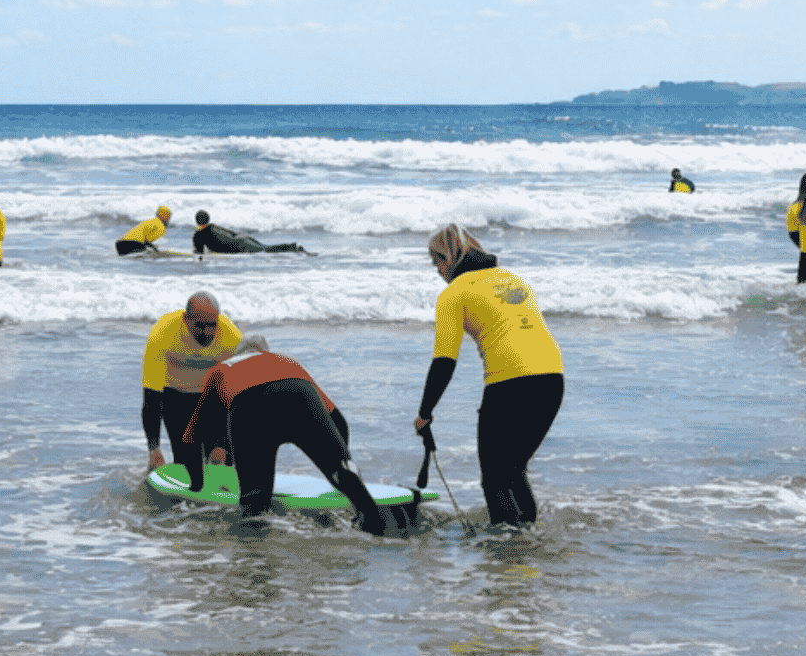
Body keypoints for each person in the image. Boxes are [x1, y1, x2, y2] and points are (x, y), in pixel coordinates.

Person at [412, 225, 565, 528]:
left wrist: (425, 413)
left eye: (437, 262)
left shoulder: (454, 294)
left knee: (495, 477)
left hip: (509, 383)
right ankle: (526, 536)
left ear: (450, 258)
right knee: (512, 469)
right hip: (552, 379)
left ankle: (508, 551)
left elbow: (444, 360)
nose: (438, 271)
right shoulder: (511, 278)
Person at [183, 348, 388, 533]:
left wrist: (196, 484)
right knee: (356, 492)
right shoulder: (286, 361)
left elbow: (193, 434)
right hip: (299, 396)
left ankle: (254, 565)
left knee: (255, 505)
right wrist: (341, 464)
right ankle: (380, 535)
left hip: (251, 407)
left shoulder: (222, 369)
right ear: (263, 351)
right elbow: (339, 420)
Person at [141, 291, 263, 489]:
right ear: (186, 320)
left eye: (211, 325)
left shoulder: (230, 336)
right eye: (199, 326)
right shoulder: (163, 333)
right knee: (185, 466)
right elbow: (152, 398)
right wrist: (154, 449)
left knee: (224, 464)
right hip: (177, 399)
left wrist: (223, 443)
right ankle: (187, 513)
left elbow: (243, 398)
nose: (206, 332)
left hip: (213, 401)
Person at [191, 210, 309, 256]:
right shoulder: (214, 226)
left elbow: (199, 253)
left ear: (196, 221)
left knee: (266, 250)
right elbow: (231, 233)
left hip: (241, 245)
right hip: (244, 239)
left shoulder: (198, 235)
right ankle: (293, 247)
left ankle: (295, 249)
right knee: (266, 248)